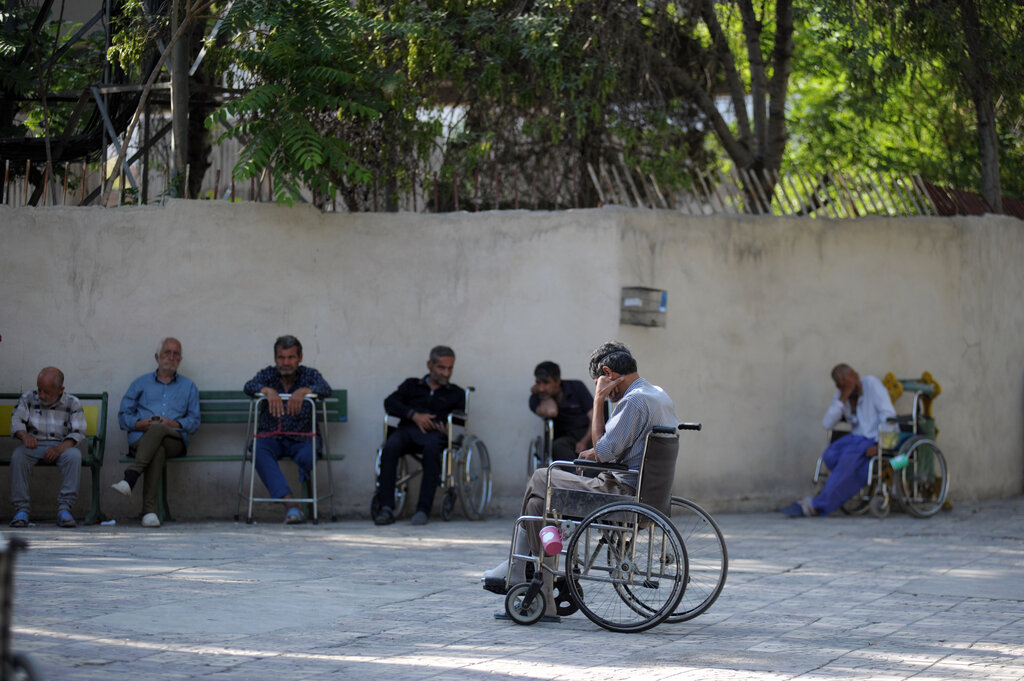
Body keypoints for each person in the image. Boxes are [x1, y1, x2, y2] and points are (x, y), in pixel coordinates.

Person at [483, 341, 678, 592]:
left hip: (621, 493)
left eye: (600, 383)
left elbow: (605, 452)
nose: (605, 392)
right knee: (537, 504)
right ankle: (537, 584)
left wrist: (598, 402)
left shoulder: (634, 402)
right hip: (646, 494)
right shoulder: (658, 394)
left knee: (543, 476)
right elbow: (610, 449)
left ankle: (522, 568)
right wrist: (596, 452)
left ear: (608, 374)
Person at [780, 363, 897, 518]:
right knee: (830, 454)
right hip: (855, 438)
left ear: (855, 375)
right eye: (841, 384)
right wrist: (844, 395)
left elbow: (889, 416)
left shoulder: (871, 384)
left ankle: (815, 505)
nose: (846, 385)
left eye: (848, 380)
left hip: (873, 437)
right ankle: (841, 484)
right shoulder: (842, 393)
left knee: (847, 461)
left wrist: (879, 444)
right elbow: (827, 423)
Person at [243, 335, 331, 524]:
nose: (286, 363)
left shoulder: (309, 375)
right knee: (259, 450)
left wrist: (304, 391)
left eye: (291, 357)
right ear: (275, 359)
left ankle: (305, 505)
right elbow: (249, 386)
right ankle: (291, 505)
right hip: (271, 437)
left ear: (300, 357)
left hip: (302, 438)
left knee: (308, 456)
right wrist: (267, 390)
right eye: (281, 358)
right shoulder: (268, 374)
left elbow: (325, 388)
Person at [112, 338, 200, 528]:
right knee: (157, 450)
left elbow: (194, 422)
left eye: (176, 354)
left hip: (174, 440)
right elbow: (122, 417)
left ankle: (131, 477)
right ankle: (149, 513)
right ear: (157, 357)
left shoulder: (189, 386)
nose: (171, 357)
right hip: (141, 438)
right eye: (167, 352)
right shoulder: (140, 383)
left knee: (159, 426)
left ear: (180, 359)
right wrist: (139, 424)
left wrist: (172, 423)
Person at [374, 345, 465, 527]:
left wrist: (449, 428)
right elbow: (390, 403)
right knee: (390, 448)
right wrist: (414, 415)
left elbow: (460, 420)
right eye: (441, 368)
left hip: (435, 435)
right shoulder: (412, 385)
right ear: (429, 365)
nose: (446, 373)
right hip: (407, 430)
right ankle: (385, 508)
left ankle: (423, 510)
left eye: (450, 368)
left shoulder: (456, 393)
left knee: (433, 452)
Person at [8, 367, 87, 528]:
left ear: (60, 390)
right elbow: (16, 421)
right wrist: (25, 436)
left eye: (47, 392)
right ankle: (21, 510)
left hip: (61, 445)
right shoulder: (28, 398)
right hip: (33, 444)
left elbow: (78, 432)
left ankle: (65, 510)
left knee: (74, 456)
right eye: (39, 390)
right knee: (18, 456)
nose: (41, 395)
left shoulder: (73, 402)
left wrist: (59, 449)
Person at [529, 361, 593, 462]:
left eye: (546, 383)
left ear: (557, 382)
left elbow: (594, 418)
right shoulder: (536, 399)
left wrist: (584, 441)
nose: (541, 388)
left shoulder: (577, 387)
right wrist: (544, 395)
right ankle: (573, 477)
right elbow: (552, 411)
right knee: (559, 447)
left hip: (586, 434)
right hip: (564, 439)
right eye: (538, 383)